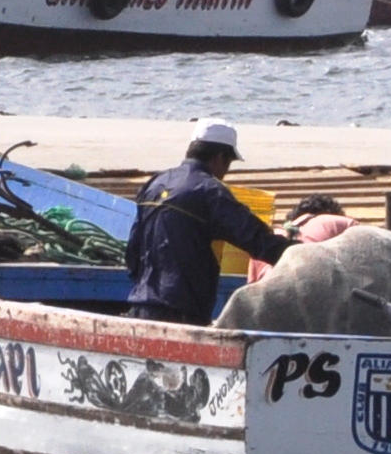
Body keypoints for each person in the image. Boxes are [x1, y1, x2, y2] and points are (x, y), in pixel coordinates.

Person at [123, 119, 288, 323]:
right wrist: (301, 254)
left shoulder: (155, 183)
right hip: (182, 313)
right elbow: (257, 239)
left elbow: (132, 252)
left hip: (140, 307)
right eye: (228, 164)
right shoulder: (210, 191)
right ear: (219, 158)